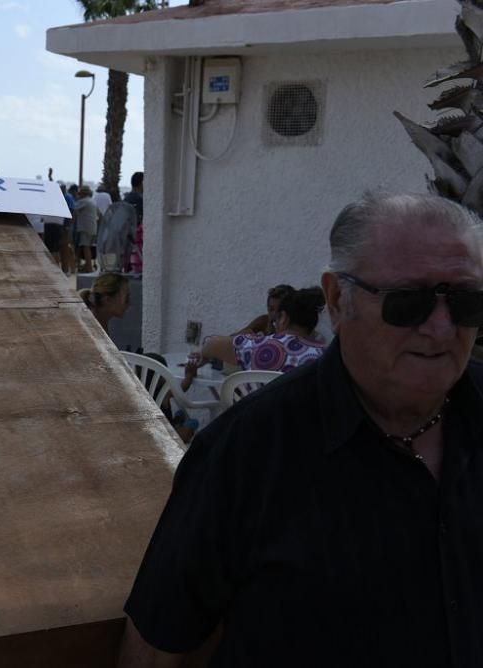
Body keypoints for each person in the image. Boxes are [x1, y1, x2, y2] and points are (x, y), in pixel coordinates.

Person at [118, 192, 483, 667]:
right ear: (336, 299)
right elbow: (157, 647)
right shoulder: (246, 452)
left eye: (467, 301)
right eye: (407, 302)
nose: (440, 328)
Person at [200, 286, 327, 372]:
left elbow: (209, 344)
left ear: (283, 317)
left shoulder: (257, 345)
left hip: (256, 412)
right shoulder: (326, 356)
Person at [74, 185, 100, 273]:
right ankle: (86, 266)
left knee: (85, 247)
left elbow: (73, 209)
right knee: (87, 247)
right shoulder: (92, 201)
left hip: (85, 228)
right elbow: (99, 215)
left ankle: (89, 267)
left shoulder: (83, 201)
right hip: (93, 228)